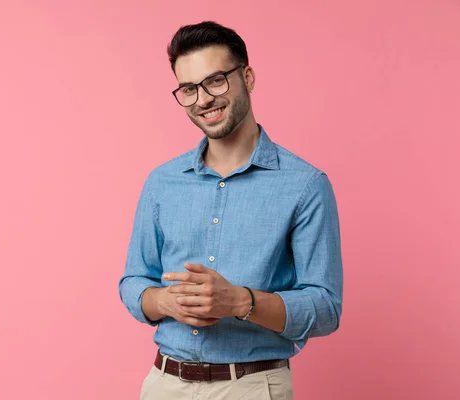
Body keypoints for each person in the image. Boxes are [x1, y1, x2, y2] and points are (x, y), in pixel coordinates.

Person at [118, 20, 343, 400]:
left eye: (216, 80)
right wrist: (164, 301)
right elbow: (133, 282)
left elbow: (325, 307)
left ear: (248, 77)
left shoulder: (305, 185)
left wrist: (240, 301)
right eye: (189, 89)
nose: (203, 99)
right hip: (164, 383)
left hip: (252, 386)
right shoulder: (162, 182)